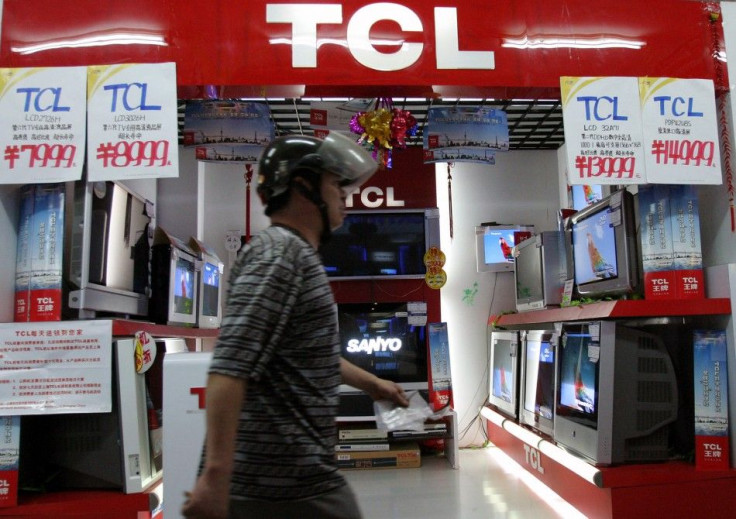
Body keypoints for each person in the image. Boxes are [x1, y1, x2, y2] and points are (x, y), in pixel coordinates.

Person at [182, 132, 411, 519]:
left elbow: (299, 352)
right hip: (279, 486)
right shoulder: (281, 255)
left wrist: (372, 384)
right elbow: (230, 367)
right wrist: (216, 476)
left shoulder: (290, 254)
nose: (344, 194)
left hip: (292, 480)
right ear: (304, 186)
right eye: (336, 183)